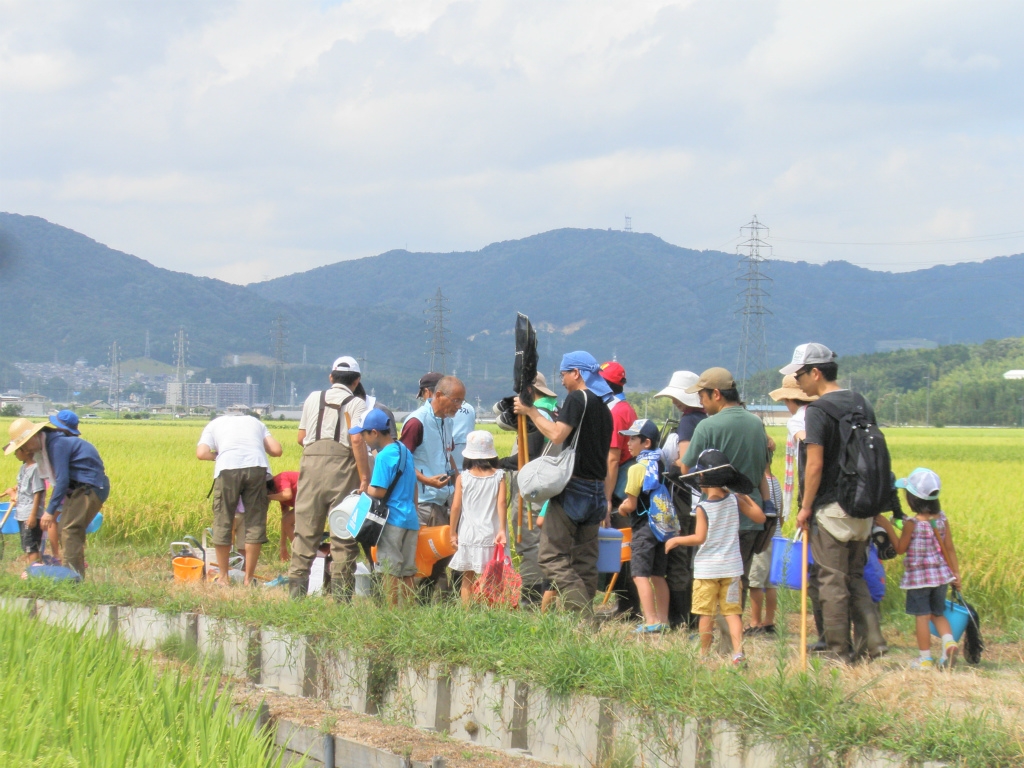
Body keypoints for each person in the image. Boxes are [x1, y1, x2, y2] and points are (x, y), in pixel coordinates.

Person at [783, 342, 886, 661]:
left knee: (831, 579)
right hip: (863, 506)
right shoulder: (860, 402)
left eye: (799, 374)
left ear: (815, 373)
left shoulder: (818, 410)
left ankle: (839, 649)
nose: (797, 382)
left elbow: (814, 464)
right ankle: (873, 643)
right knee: (854, 576)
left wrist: (804, 508)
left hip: (832, 507)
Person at [514, 351, 613, 614]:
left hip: (575, 488)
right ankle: (579, 624)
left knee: (551, 556)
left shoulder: (577, 398)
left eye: (563, 374)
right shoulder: (604, 407)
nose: (563, 380)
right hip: (597, 491)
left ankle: (582, 614)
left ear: (576, 373)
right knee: (585, 561)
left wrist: (530, 411)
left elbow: (557, 435)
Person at [665, 449, 766, 664]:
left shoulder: (703, 507)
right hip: (732, 569)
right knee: (732, 613)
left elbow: (700, 538)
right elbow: (760, 517)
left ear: (701, 477)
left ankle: (703, 654)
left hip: (708, 570)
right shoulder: (734, 501)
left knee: (706, 614)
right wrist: (744, 495)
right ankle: (738, 652)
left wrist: (676, 540)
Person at [680, 368, 770, 606]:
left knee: (709, 578)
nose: (700, 401)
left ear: (716, 394)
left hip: (716, 516)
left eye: (702, 396)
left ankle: (713, 632)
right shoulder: (756, 424)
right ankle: (733, 631)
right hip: (750, 514)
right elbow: (763, 469)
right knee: (736, 580)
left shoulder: (707, 427)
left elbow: (685, 467)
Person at [289, 356, 370, 599]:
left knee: (305, 531)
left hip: (311, 465)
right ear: (356, 381)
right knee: (343, 533)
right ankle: (341, 600)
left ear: (331, 377)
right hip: (343, 466)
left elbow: (301, 437)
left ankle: (296, 598)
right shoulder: (357, 404)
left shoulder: (313, 397)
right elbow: (356, 439)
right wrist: (364, 477)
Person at [874, 468, 961, 669]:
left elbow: (900, 548)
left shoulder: (912, 524)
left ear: (913, 500)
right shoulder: (942, 519)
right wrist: (956, 574)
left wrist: (887, 526)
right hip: (941, 576)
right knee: (937, 614)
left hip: (919, 579)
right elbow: (950, 548)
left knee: (922, 617)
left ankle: (924, 659)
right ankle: (949, 643)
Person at [6, 418, 110, 578]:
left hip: (90, 487)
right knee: (64, 529)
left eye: (25, 445)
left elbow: (62, 480)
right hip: (77, 489)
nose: (26, 450)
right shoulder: (48, 445)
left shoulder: (56, 445)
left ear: (34, 437)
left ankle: (73, 577)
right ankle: (72, 574)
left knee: (70, 530)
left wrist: (49, 511)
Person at [198, 411, 283, 586]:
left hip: (227, 467)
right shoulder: (255, 422)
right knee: (255, 522)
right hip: (257, 466)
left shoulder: (215, 423)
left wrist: (218, 455)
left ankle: (223, 577)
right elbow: (276, 450)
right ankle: (248, 578)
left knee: (223, 520)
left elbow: (201, 453)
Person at [495, 373, 559, 605]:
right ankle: (548, 597)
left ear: (529, 392)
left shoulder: (537, 414)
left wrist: (499, 463)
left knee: (530, 543)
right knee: (547, 544)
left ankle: (531, 599)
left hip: (533, 489)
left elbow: (528, 455)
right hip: (550, 487)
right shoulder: (554, 410)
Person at [400, 374, 466, 598]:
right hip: (425, 501)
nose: (459, 406)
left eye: (461, 401)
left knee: (444, 554)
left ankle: (427, 601)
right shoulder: (416, 422)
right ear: (438, 395)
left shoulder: (447, 420)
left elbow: (449, 455)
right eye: (456, 401)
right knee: (426, 556)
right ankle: (417, 602)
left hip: (445, 498)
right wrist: (425, 480)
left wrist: (459, 481)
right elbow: (402, 460)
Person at [349, 409, 418, 606]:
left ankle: (391, 613)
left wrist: (363, 490)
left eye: (364, 434)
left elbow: (378, 491)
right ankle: (407, 612)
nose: (363, 439)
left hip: (392, 520)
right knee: (408, 570)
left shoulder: (383, 457)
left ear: (374, 432)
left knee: (389, 570)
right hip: (410, 519)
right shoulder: (404, 450)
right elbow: (413, 486)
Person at [654, 370, 706, 630]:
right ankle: (699, 616)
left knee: (679, 557)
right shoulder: (707, 418)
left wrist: (673, 465)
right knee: (698, 559)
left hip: (685, 498)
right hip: (708, 499)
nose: (675, 403)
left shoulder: (687, 422)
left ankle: (680, 618)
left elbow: (686, 463)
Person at [615, 418, 670, 633]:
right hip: (662, 527)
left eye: (633, 439)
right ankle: (663, 620)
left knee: (639, 574)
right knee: (658, 575)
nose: (628, 443)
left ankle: (650, 620)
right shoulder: (660, 462)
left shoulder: (637, 468)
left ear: (646, 442)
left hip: (643, 527)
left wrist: (620, 509)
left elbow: (631, 503)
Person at [449, 431, 508, 605]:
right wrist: (502, 530)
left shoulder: (463, 478)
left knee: (467, 576)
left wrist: (453, 532)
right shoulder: (499, 476)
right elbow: (502, 503)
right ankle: (488, 612)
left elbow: (456, 507)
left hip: (468, 534)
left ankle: (467, 615)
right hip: (491, 533)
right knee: (490, 576)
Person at [746, 457, 783, 634]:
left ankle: (755, 622)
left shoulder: (762, 483)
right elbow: (781, 513)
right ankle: (769, 621)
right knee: (770, 584)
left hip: (763, 538)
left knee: (755, 582)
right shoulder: (775, 482)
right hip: (776, 536)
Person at [3, 439, 46, 565]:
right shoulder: (23, 467)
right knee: (27, 545)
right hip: (21, 513)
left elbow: (37, 492)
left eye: (17, 451)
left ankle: (34, 573)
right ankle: (32, 571)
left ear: (26, 451)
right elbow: (22, 487)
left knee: (31, 546)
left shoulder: (36, 469)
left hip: (30, 513)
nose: (15, 454)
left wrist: (33, 515)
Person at [267, 470, 299, 561]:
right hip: (306, 502)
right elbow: (284, 522)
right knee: (286, 521)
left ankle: (300, 555)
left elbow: (287, 495)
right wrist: (283, 546)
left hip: (313, 495)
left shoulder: (280, 479)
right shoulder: (278, 494)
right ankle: (300, 553)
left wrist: (267, 497)